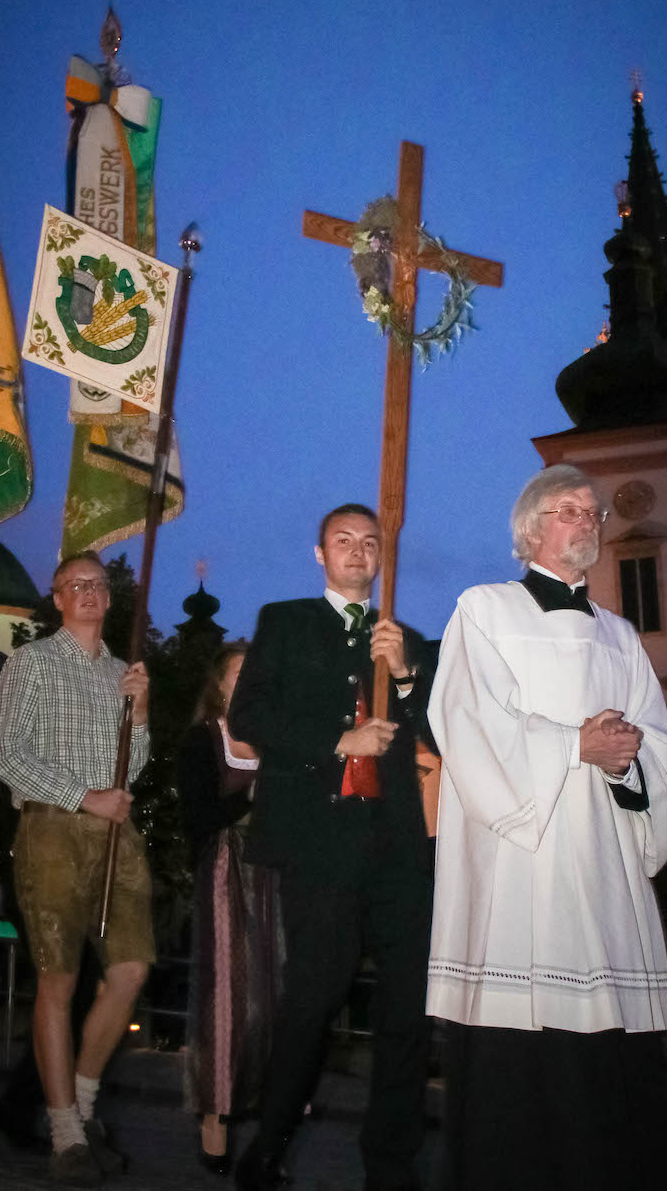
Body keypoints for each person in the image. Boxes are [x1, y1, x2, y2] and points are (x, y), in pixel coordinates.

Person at [427, 464, 667, 1191]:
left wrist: (622, 765)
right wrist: (573, 744)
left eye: (593, 514)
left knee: (606, 1071)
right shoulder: (484, 609)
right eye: (569, 510)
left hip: (601, 864)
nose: (586, 524)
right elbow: (467, 719)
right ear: (531, 528)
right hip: (521, 858)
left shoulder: (619, 635)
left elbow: (655, 743)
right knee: (521, 1071)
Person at [228, 504, 436, 1191]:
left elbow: (441, 723)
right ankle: (271, 1142)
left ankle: (391, 1162)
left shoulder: (406, 639)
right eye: (343, 541)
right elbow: (249, 714)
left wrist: (404, 677)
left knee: (408, 1007)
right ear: (320, 554)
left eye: (370, 543)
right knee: (315, 996)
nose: (357, 552)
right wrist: (335, 740)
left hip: (398, 845)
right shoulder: (285, 622)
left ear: (383, 557)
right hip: (321, 839)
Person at [0, 551, 153, 1186]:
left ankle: (81, 1107)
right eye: (75, 585)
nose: (88, 592)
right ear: (57, 598)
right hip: (54, 829)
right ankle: (63, 1132)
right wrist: (83, 797)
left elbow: (132, 767)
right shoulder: (30, 663)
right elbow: (2, 754)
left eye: (98, 585)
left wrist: (140, 714)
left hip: (115, 832)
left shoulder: (122, 672)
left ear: (110, 600)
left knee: (131, 969)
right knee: (58, 978)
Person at [176, 639, 282, 1176]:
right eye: (237, 675)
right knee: (228, 998)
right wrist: (255, 795)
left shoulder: (281, 740)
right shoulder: (204, 740)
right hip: (225, 868)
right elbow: (198, 816)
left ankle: (271, 1133)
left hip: (277, 875)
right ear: (219, 685)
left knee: (275, 1000)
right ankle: (215, 1121)